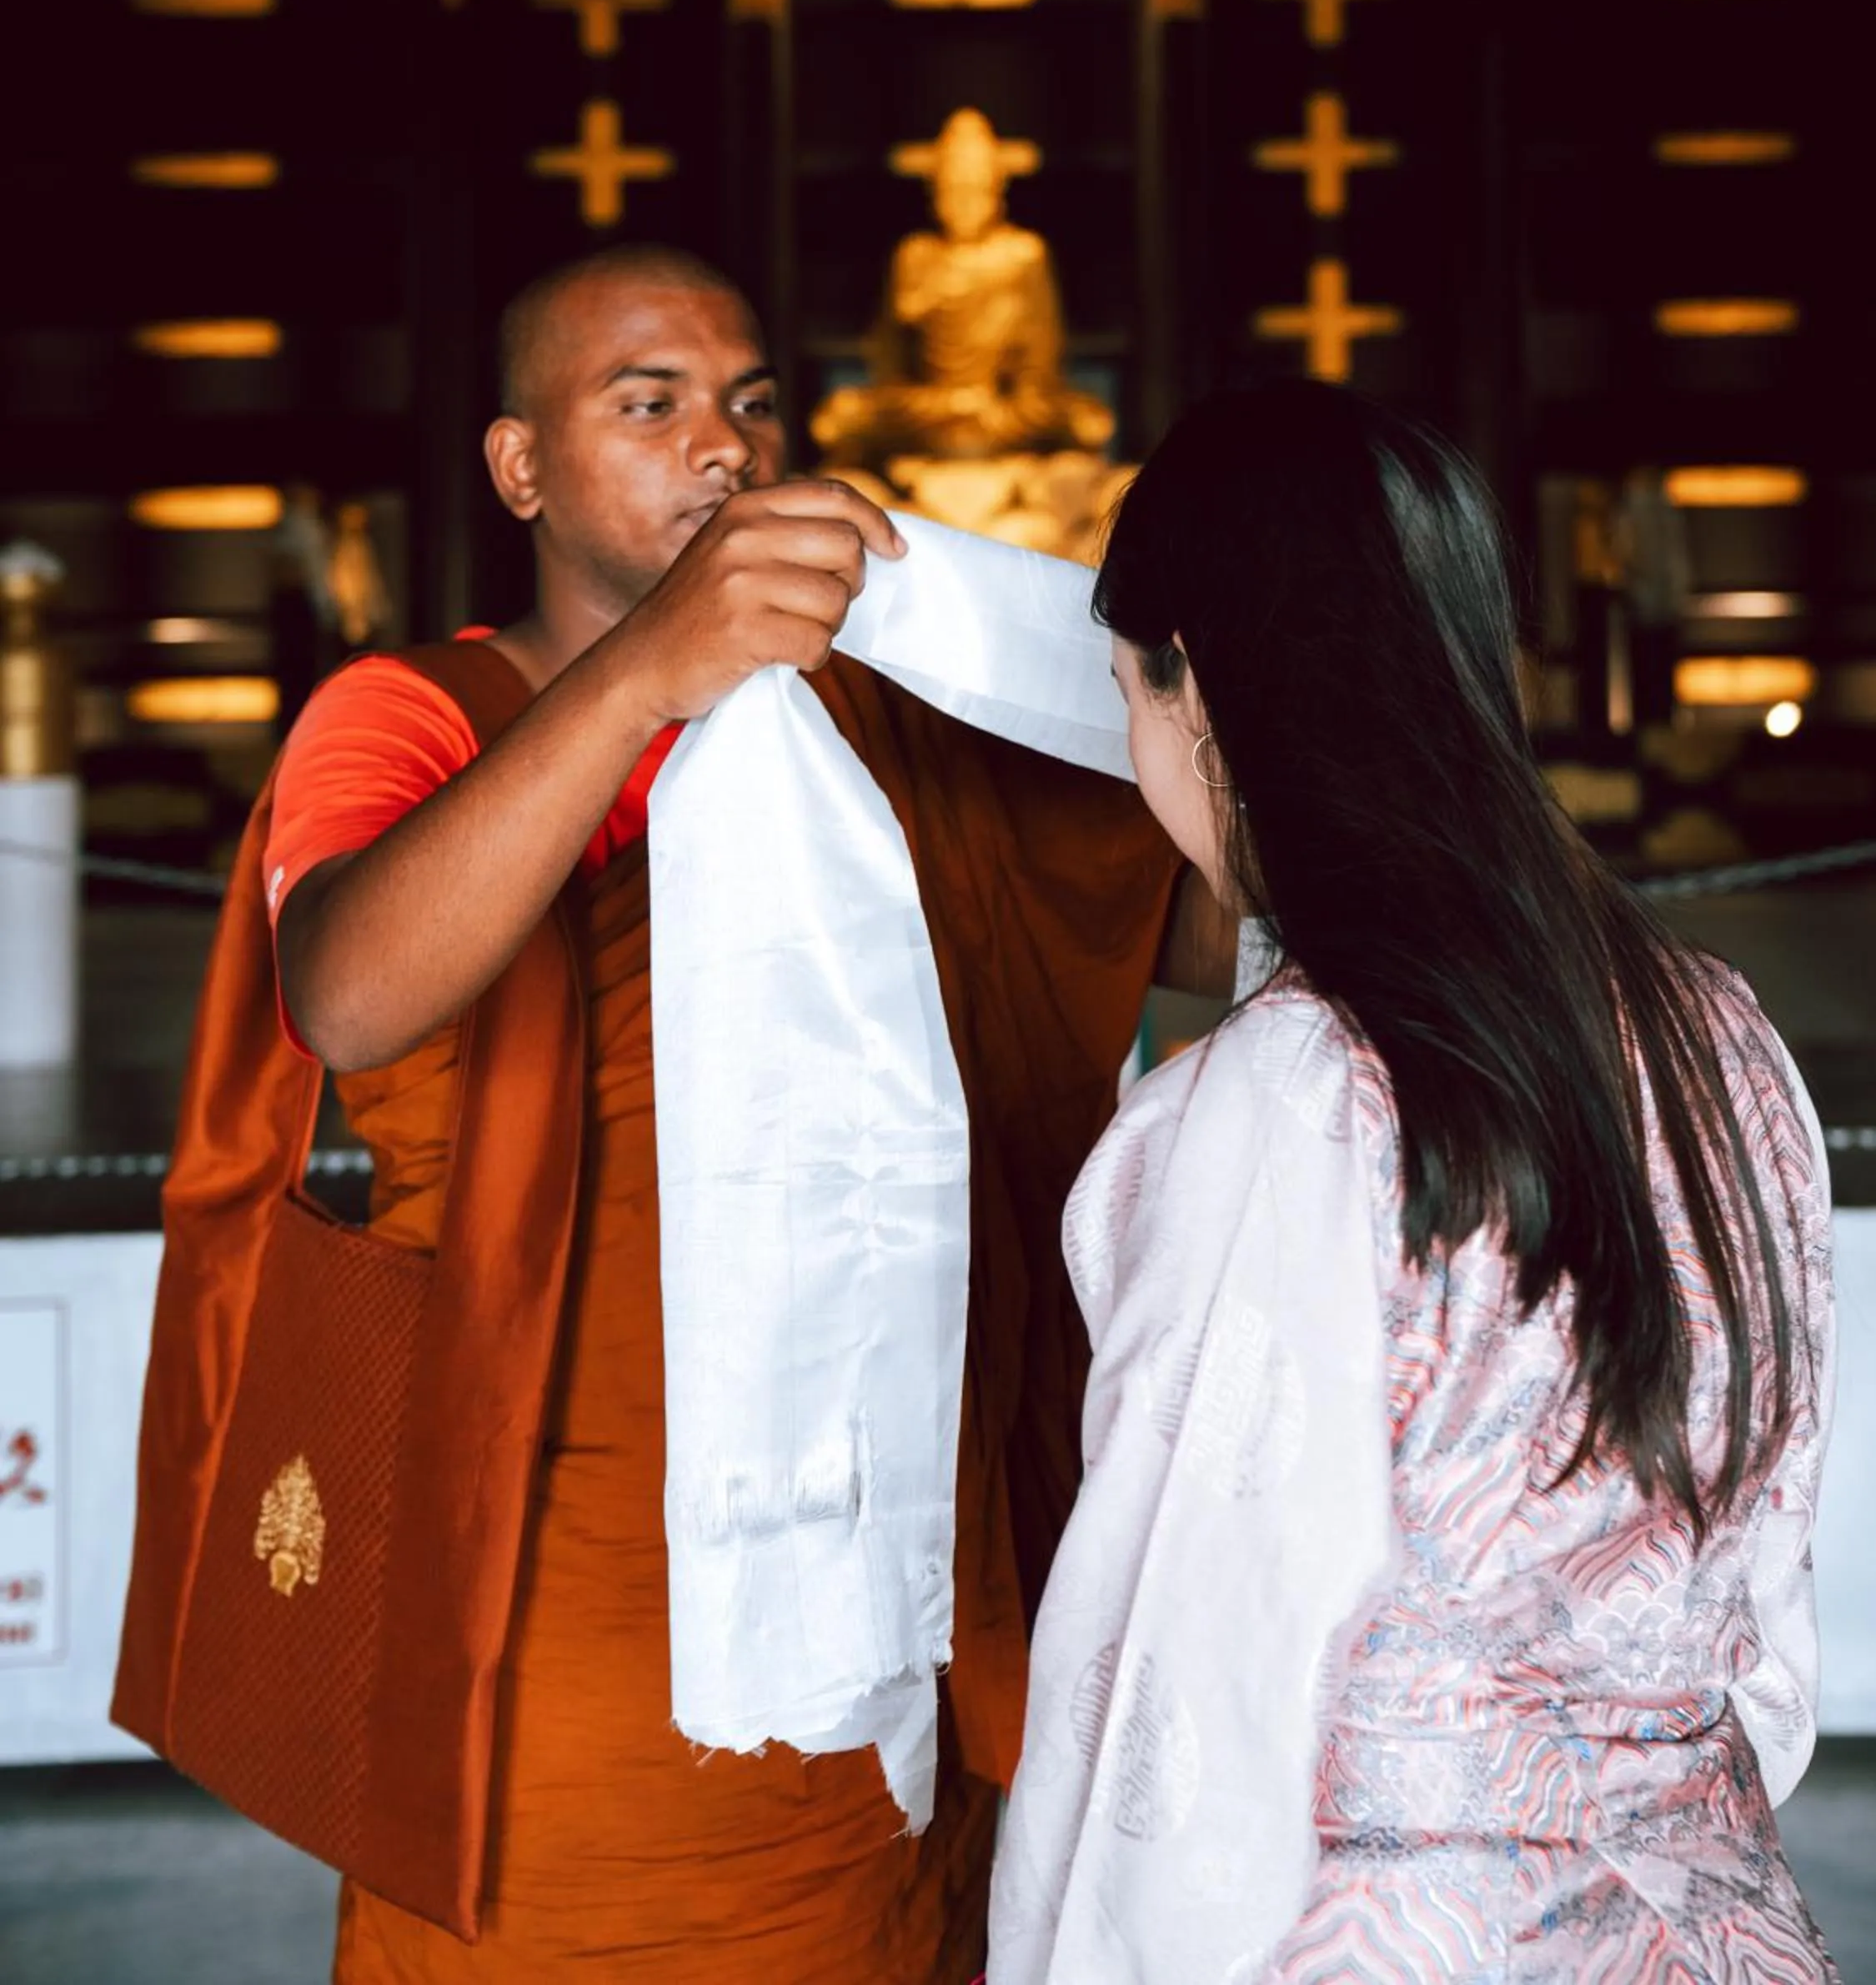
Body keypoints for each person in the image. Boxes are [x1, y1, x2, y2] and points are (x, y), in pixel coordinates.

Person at [256, 244, 1206, 1982]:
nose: (724, 445)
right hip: (527, 1581)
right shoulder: (409, 715)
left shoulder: (872, 724)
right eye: (652, 404)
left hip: (869, 1578)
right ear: (520, 468)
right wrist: (639, 681)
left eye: (754, 403)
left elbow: (1198, 910)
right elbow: (344, 991)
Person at [989, 380, 1837, 1983]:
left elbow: (1185, 1657)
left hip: (1390, 1933)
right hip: (1710, 1912)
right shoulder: (1718, 1026)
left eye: (1127, 693)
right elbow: (1765, 1581)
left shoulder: (1295, 1095)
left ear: (1203, 695)